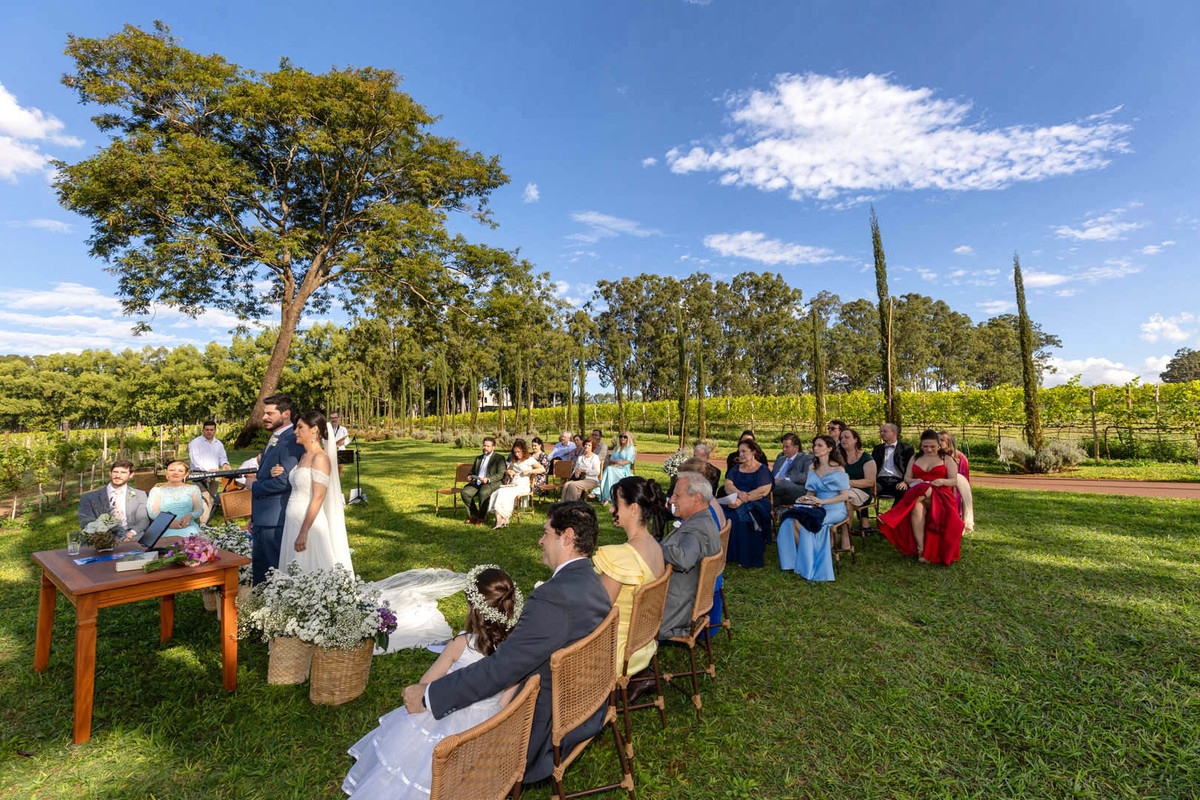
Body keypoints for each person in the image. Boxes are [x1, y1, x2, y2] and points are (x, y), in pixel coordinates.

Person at [408, 502, 612, 785]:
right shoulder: (591, 582)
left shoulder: (553, 598)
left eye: (546, 532)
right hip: (585, 705)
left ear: (566, 536)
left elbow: (502, 669)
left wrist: (430, 695)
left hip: (542, 729)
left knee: (422, 736)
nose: (540, 540)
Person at [344, 565, 525, 798]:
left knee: (409, 764)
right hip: (488, 726)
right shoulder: (516, 651)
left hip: (446, 726)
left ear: (472, 608)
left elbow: (425, 685)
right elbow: (503, 703)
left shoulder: (461, 645)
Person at [595, 476, 668, 674]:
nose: (611, 510)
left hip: (615, 652)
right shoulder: (656, 547)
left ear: (633, 508)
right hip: (643, 645)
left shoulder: (621, 557)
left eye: (616, 504)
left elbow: (595, 613)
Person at [271, 411, 353, 575]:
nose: (295, 431)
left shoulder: (320, 458)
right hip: (292, 521)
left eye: (300, 427)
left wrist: (304, 531)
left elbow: (318, 497)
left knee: (309, 569)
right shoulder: (303, 456)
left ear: (314, 430)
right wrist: (281, 471)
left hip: (309, 524)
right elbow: (300, 482)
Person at [878, 429, 965, 565]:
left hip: (942, 496)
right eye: (925, 446)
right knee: (917, 507)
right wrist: (914, 480)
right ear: (920, 445)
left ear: (938, 445)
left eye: (932, 446)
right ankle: (921, 550)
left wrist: (942, 481)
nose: (929, 450)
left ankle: (895, 514)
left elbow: (954, 480)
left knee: (926, 487)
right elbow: (906, 478)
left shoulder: (946, 459)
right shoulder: (915, 458)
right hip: (919, 494)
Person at [777, 435, 850, 581]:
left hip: (835, 508)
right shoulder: (812, 467)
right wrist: (805, 498)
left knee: (808, 523)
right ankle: (797, 560)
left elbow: (844, 496)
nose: (815, 448)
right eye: (815, 445)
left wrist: (822, 501)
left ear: (829, 448)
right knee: (789, 521)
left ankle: (812, 563)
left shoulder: (838, 468)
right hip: (817, 504)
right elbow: (811, 491)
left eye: (820, 445)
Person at [251, 394, 306, 584]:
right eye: (264, 413)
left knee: (274, 572)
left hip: (275, 518)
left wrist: (254, 486)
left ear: (286, 414)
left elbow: (284, 481)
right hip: (263, 517)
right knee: (261, 569)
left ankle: (274, 611)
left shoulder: (292, 440)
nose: (264, 417)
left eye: (269, 413)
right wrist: (254, 517)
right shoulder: (276, 437)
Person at [659, 471, 721, 639]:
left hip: (674, 613)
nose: (671, 500)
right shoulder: (703, 520)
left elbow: (684, 559)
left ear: (697, 498)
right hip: (686, 602)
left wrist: (653, 548)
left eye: (677, 496)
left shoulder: (697, 528)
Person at [721, 439, 773, 568]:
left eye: (744, 451)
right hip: (736, 499)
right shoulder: (735, 469)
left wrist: (742, 499)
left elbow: (762, 491)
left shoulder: (762, 470)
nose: (741, 454)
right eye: (740, 452)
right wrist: (738, 493)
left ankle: (746, 556)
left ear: (753, 452)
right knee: (722, 515)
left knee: (741, 518)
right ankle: (727, 554)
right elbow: (728, 485)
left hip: (757, 503)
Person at [78, 459, 149, 540]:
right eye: (115, 472)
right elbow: (85, 522)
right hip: (102, 539)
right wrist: (104, 537)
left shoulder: (140, 495)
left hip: (133, 537)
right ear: (110, 473)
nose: (118, 476)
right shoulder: (89, 498)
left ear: (131, 475)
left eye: (123, 472)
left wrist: (130, 535)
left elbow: (143, 520)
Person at [489, 439, 544, 528]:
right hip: (514, 482)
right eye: (515, 452)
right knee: (498, 492)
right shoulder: (514, 460)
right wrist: (509, 471)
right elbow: (508, 469)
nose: (517, 454)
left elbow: (542, 469)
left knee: (505, 493)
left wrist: (529, 471)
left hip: (523, 485)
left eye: (518, 452)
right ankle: (500, 519)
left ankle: (503, 518)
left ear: (523, 450)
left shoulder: (529, 459)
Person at [187, 421, 231, 524]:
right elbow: (195, 460)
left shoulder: (218, 443)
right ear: (203, 430)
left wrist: (225, 464)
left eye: (211, 430)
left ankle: (205, 522)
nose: (209, 432)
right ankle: (204, 524)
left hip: (215, 474)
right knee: (204, 497)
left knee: (212, 497)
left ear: (215, 430)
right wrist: (207, 470)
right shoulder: (195, 443)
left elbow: (222, 457)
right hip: (199, 473)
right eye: (207, 430)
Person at [148, 460, 203, 537]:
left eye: (180, 471)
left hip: (187, 526)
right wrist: (168, 522)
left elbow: (199, 509)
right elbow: (152, 512)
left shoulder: (194, 489)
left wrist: (190, 516)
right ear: (166, 472)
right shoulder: (157, 490)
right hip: (163, 528)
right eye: (171, 470)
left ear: (186, 474)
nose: (176, 473)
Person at [461, 437, 507, 525]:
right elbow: (472, 471)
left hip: (492, 483)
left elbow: (501, 474)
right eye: (484, 445)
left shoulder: (499, 458)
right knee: (465, 492)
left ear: (493, 447)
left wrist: (488, 479)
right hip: (478, 482)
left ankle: (481, 517)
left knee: (483, 492)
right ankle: (474, 515)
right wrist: (469, 476)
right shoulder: (478, 458)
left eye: (488, 446)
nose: (485, 447)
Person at [840, 428, 878, 528]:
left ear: (855, 439)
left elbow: (870, 482)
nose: (843, 440)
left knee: (847, 503)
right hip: (841, 490)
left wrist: (849, 483)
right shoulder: (838, 458)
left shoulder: (866, 458)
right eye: (841, 438)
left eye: (847, 437)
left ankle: (846, 538)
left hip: (862, 493)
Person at [938, 430, 974, 532]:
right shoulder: (934, 455)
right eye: (937, 440)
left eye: (942, 440)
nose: (939, 442)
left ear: (949, 442)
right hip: (939, 483)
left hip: (956, 484)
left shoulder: (959, 457)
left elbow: (963, 476)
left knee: (955, 496)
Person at [873, 423, 914, 501]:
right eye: (881, 431)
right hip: (880, 481)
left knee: (903, 492)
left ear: (894, 432)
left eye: (885, 431)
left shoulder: (906, 449)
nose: (882, 433)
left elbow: (910, 467)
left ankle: (893, 512)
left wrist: (905, 482)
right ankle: (863, 513)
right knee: (865, 492)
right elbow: (872, 466)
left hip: (897, 481)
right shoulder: (877, 449)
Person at [770, 432, 813, 507]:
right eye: (783, 446)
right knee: (769, 503)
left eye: (787, 447)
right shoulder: (779, 460)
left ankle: (762, 491)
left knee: (784, 483)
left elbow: (805, 477)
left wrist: (785, 479)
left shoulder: (806, 458)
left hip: (795, 490)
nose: (784, 449)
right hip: (778, 492)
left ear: (796, 448)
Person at [594, 430, 635, 504]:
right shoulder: (617, 448)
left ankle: (600, 492)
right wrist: (617, 462)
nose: (622, 438)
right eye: (621, 437)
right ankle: (607, 496)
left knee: (609, 469)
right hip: (614, 467)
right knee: (609, 470)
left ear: (628, 438)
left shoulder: (630, 448)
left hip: (624, 470)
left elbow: (628, 461)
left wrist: (619, 463)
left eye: (625, 437)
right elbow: (611, 459)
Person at [330, 411, 350, 477]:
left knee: (339, 472)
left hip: (341, 451)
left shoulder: (343, 429)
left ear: (338, 418)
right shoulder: (327, 429)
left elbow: (347, 439)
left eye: (335, 417)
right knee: (331, 472)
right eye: (332, 418)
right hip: (330, 452)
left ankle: (338, 486)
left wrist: (343, 442)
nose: (334, 420)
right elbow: (323, 441)